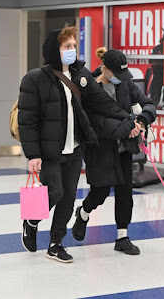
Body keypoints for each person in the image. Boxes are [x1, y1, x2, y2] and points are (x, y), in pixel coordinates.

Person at [18, 27, 130, 263]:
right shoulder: (35, 79)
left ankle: (56, 243)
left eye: (73, 46)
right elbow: (27, 120)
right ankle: (31, 220)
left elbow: (100, 102)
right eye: (66, 47)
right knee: (55, 192)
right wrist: (33, 154)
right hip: (49, 151)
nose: (72, 51)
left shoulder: (81, 75)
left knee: (68, 198)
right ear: (54, 50)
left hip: (74, 148)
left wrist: (126, 119)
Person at [72, 49, 156, 254]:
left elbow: (148, 104)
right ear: (105, 69)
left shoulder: (126, 85)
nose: (121, 79)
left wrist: (142, 119)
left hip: (123, 149)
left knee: (125, 192)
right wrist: (127, 127)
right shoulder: (90, 89)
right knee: (100, 192)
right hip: (99, 148)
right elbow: (94, 122)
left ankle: (122, 236)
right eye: (117, 75)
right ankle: (83, 212)